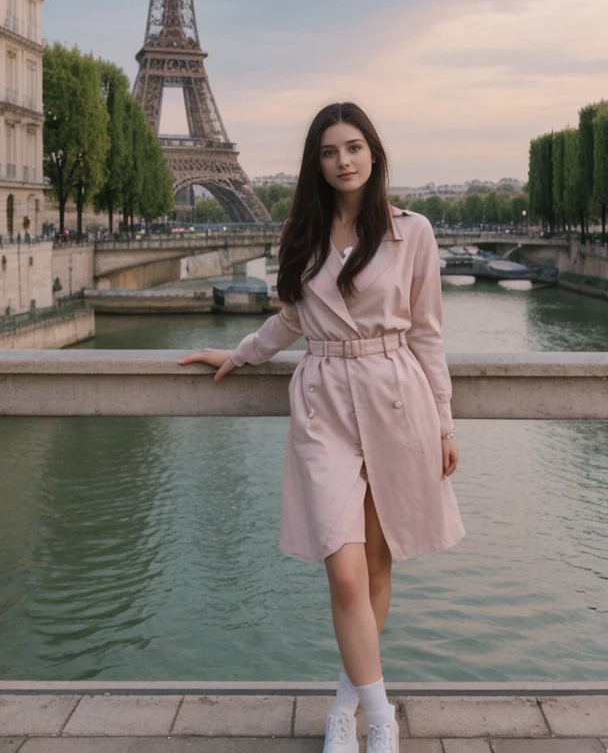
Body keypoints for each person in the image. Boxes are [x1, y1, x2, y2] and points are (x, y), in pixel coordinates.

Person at [178, 102, 465, 753]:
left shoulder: (413, 231)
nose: (344, 161)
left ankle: (345, 707)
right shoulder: (300, 232)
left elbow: (427, 333)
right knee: (345, 570)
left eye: (354, 147)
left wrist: (445, 423)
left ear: (374, 154)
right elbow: (290, 319)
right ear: (317, 161)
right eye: (330, 151)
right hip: (324, 404)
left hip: (395, 399)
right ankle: (382, 718)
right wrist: (240, 354)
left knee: (377, 564)